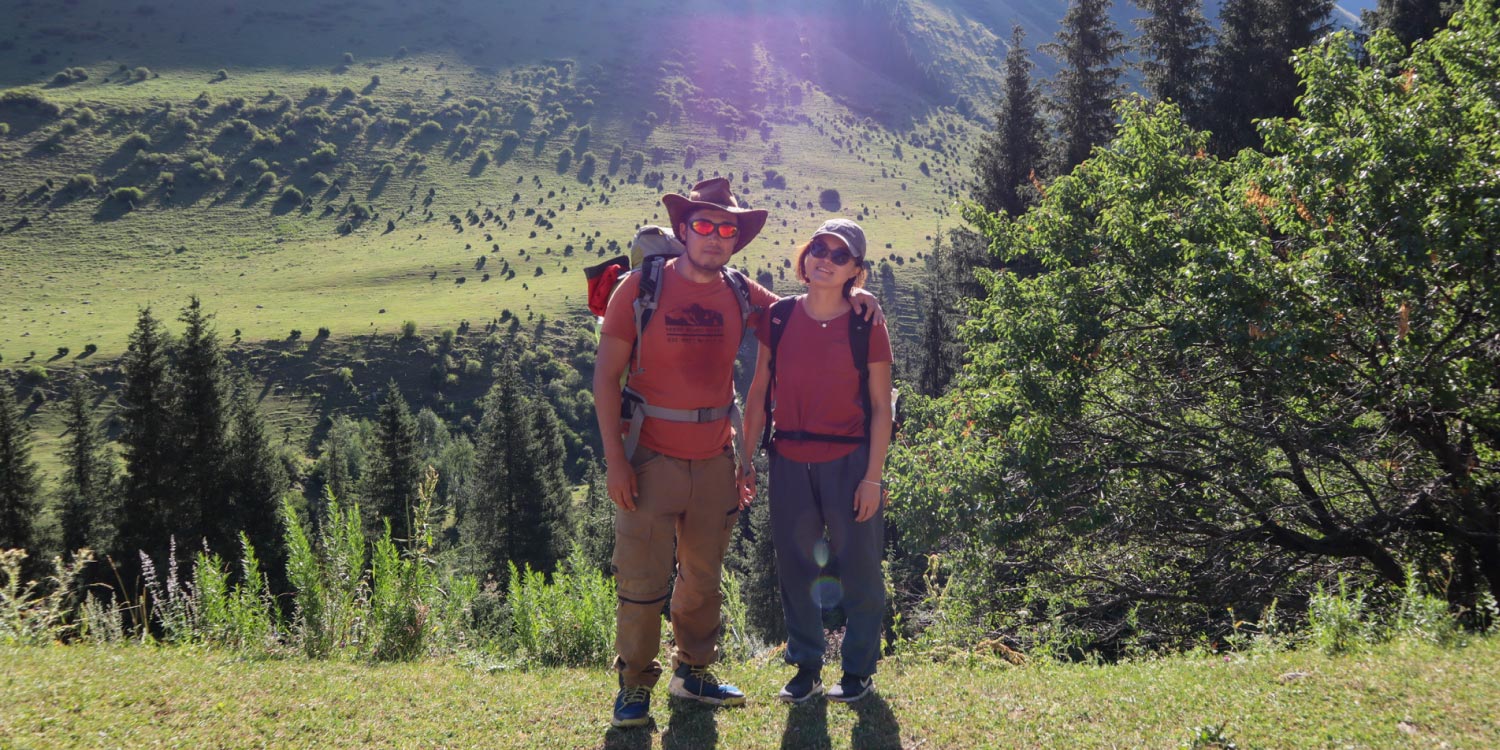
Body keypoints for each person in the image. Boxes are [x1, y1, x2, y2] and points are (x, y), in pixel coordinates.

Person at [592, 179, 883, 728]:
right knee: (641, 581)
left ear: (736, 239)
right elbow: (605, 378)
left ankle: (693, 672)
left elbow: (805, 311)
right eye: (704, 225)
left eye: (726, 228)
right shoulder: (639, 288)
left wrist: (857, 297)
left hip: (715, 459)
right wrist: (615, 461)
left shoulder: (740, 291)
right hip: (648, 455)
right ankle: (634, 685)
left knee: (703, 576)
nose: (715, 236)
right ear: (683, 230)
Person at [742, 219, 894, 705]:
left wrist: (873, 478)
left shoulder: (866, 324)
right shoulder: (780, 317)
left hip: (849, 462)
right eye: (818, 249)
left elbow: (881, 407)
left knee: (860, 568)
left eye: (839, 255)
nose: (825, 259)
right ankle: (806, 668)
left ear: (855, 270)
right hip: (788, 459)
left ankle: (858, 672)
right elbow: (759, 390)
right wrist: (745, 458)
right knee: (795, 568)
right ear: (805, 257)